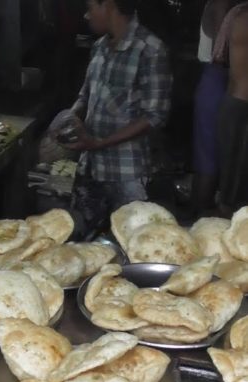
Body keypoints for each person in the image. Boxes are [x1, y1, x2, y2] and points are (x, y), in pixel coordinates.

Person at [63, 0, 172, 238]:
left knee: (130, 245)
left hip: (126, 174)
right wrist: (68, 119)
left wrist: (99, 143)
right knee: (81, 243)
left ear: (109, 5)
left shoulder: (150, 49)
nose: (86, 15)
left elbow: (154, 116)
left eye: (90, 7)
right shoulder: (99, 47)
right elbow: (85, 96)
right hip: (90, 168)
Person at [192, 0, 241, 215]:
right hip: (220, 79)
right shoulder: (223, 5)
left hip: (219, 80)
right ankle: (202, 215)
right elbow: (221, 52)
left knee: (212, 156)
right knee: (209, 158)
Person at [215, 3, 248, 214]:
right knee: (235, 191)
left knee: (230, 183)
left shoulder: (237, 15)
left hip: (233, 102)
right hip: (242, 108)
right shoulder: (244, 19)